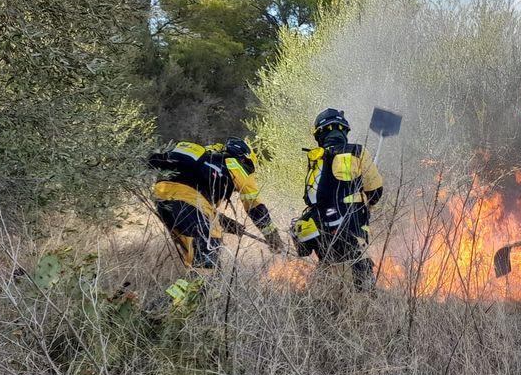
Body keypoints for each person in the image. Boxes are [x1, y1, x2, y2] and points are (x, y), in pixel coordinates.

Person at [149, 138, 284, 304]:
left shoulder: (206, 158)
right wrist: (273, 237)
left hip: (162, 199)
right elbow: (255, 207)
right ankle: (168, 306)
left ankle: (184, 305)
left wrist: (228, 224)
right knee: (206, 264)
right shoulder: (237, 165)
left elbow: (194, 203)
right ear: (246, 158)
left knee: (197, 262)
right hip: (188, 199)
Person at [291, 108, 384, 291]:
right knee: (360, 277)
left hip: (322, 231)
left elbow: (311, 197)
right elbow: (375, 191)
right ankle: (363, 300)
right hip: (352, 228)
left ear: (320, 134)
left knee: (327, 280)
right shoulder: (357, 152)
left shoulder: (316, 158)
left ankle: (326, 301)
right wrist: (367, 202)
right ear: (344, 131)